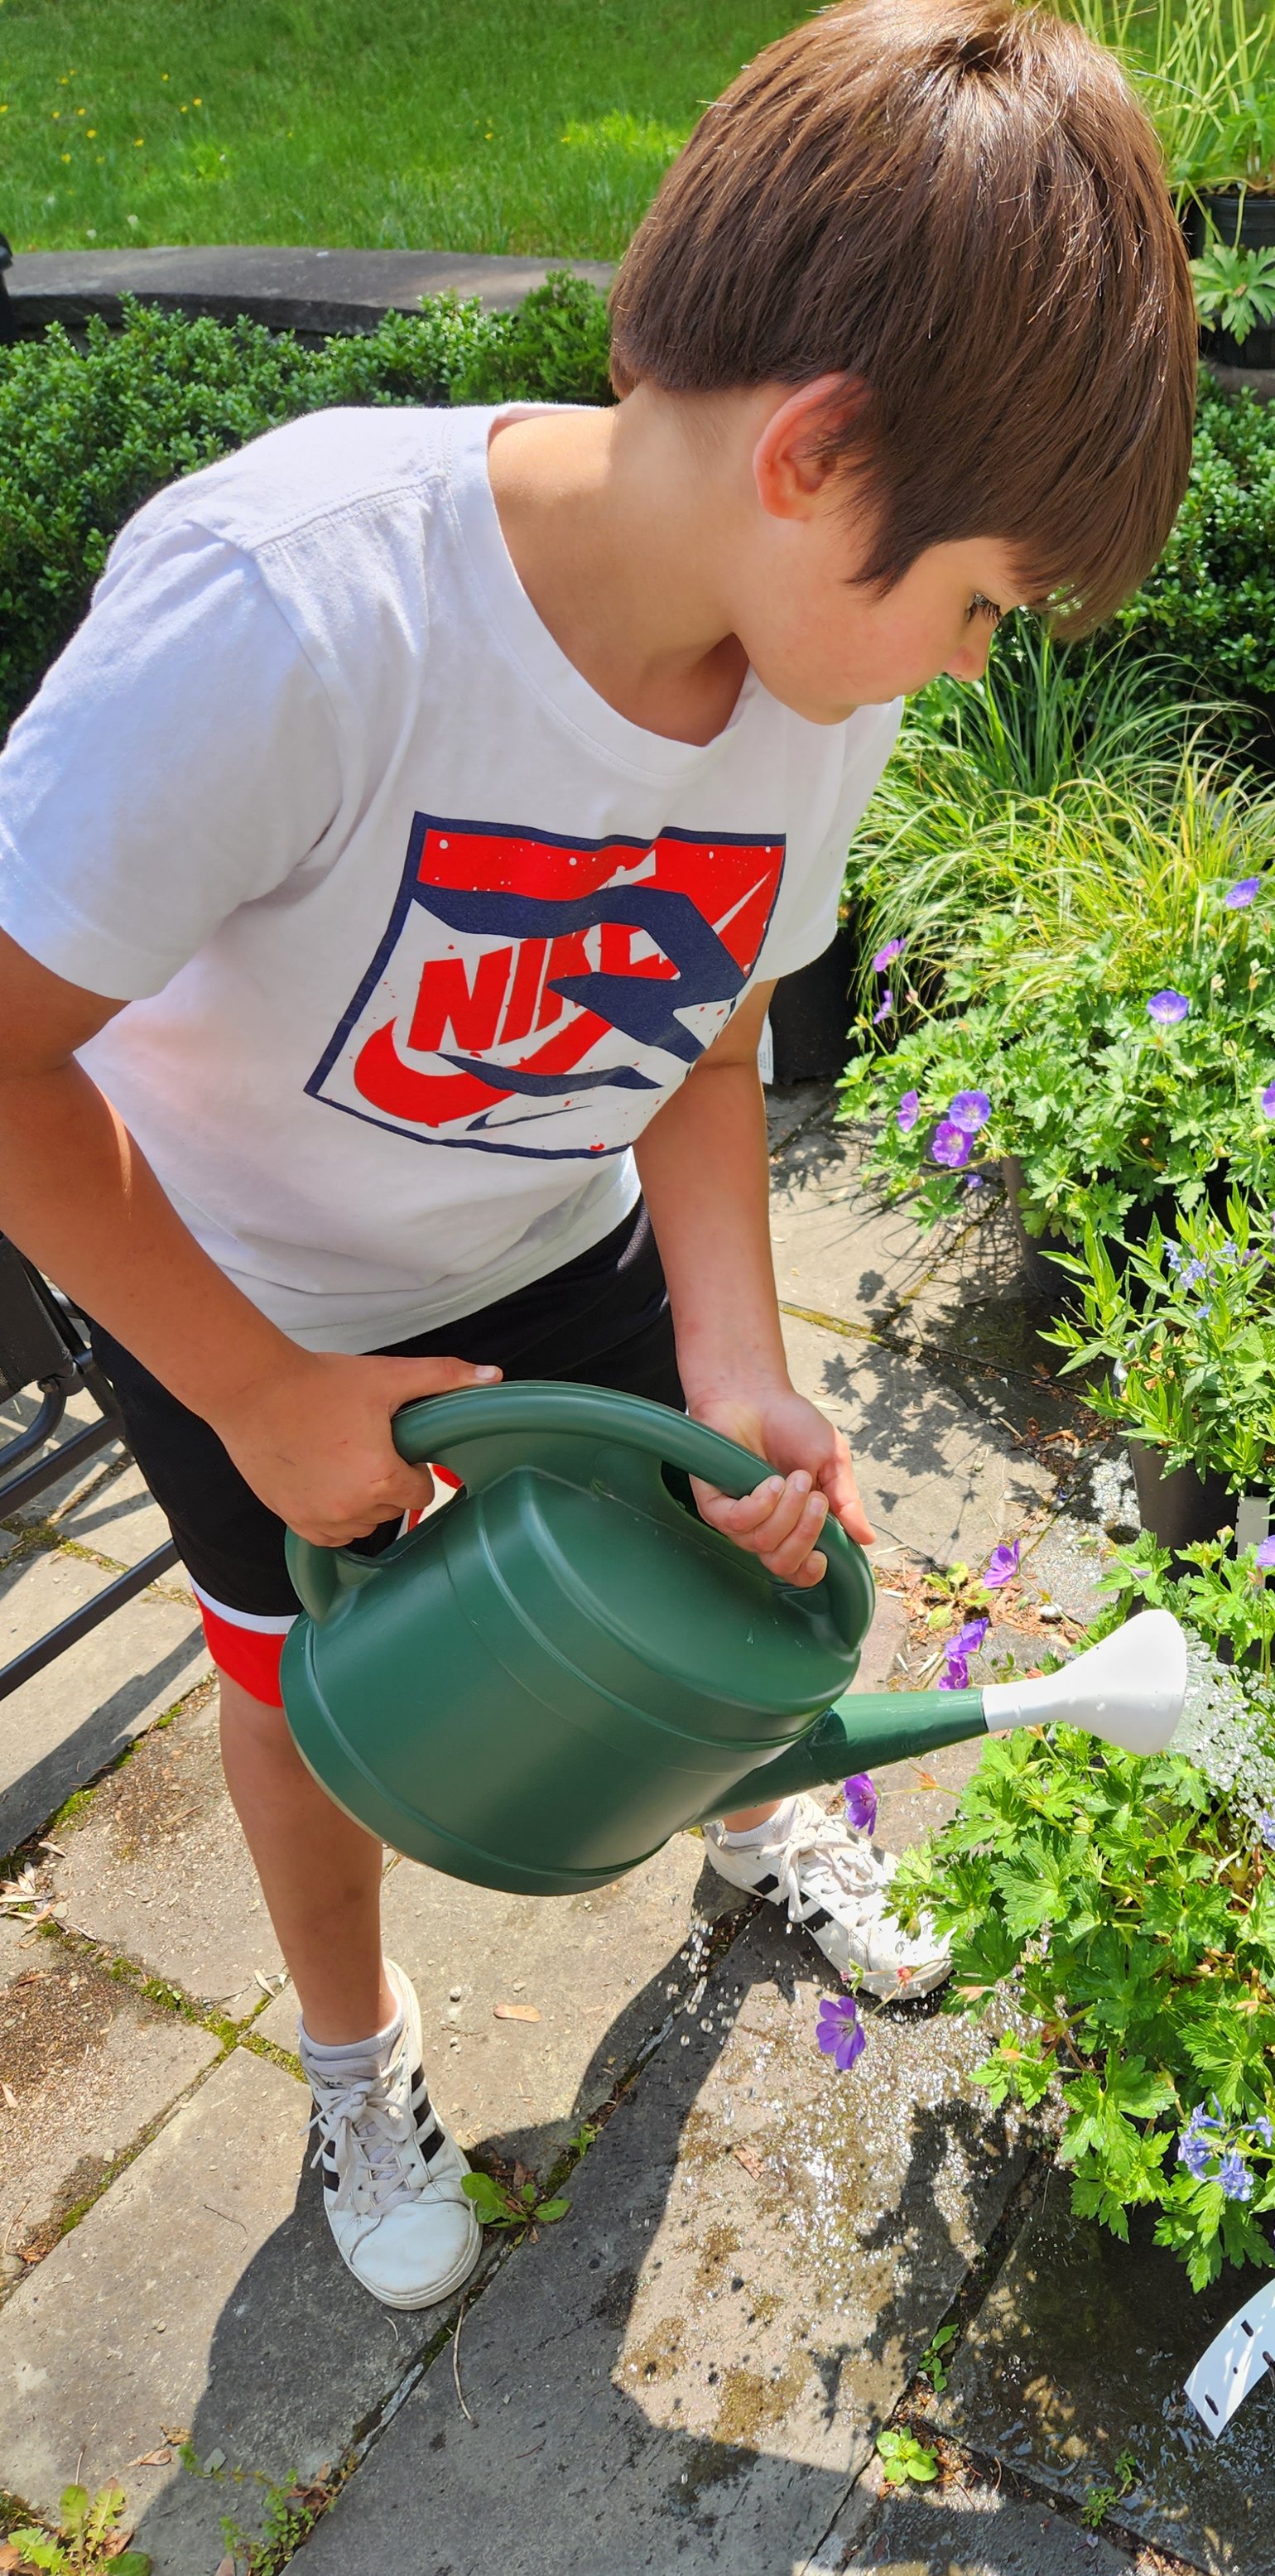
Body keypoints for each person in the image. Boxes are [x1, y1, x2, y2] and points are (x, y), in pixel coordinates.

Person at [0, 0, 1193, 2313]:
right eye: (980, 606)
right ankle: (353, 2055)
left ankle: (758, 1819)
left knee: (719, 1583)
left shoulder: (803, 676)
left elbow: (710, 1015)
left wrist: (736, 1343)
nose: (968, 669)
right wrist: (256, 1392)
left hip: (551, 1229)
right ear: (819, 454)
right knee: (296, 1687)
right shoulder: (300, 609)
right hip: (230, 1275)